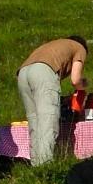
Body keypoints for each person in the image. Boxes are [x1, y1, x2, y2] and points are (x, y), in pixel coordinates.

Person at [17, 36, 87, 166]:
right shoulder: (80, 48)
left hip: (23, 73)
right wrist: (83, 86)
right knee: (47, 122)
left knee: (34, 122)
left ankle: (35, 164)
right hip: (43, 71)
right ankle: (45, 166)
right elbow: (75, 80)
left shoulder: (55, 44)